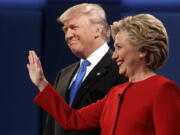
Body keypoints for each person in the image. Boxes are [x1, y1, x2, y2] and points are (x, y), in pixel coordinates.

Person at [27, 14, 180, 135]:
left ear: (142, 51)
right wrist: (42, 83)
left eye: (119, 47)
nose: (114, 55)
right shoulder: (115, 93)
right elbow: (73, 120)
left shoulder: (163, 90)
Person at [32, 3, 127, 135]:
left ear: (97, 31)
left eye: (73, 27)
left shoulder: (121, 69)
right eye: (65, 30)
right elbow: (52, 125)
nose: (68, 35)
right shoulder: (64, 74)